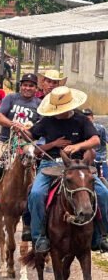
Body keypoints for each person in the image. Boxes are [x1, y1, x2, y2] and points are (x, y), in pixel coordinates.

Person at [19, 86, 108, 253]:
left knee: (103, 192)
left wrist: (78, 146)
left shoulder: (81, 120)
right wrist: (23, 131)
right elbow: (31, 135)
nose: (58, 113)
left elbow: (95, 140)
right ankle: (39, 237)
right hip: (50, 164)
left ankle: (101, 235)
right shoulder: (47, 120)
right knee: (36, 193)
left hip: (78, 165)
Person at [0, 73, 41, 226]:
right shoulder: (11, 98)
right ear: (21, 86)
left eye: (31, 85)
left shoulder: (39, 104)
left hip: (27, 143)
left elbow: (41, 126)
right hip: (6, 142)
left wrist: (29, 130)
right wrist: (13, 124)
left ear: (36, 88)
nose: (27, 88)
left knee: (35, 167)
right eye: (25, 85)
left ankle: (34, 200)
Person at [83, 108, 108, 176]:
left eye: (88, 119)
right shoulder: (80, 130)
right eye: (84, 119)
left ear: (92, 118)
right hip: (87, 159)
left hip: (100, 157)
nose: (87, 121)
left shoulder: (101, 128)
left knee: (105, 178)